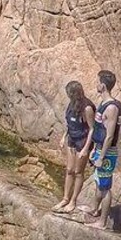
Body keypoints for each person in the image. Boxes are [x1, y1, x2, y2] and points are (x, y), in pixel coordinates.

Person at [84, 70, 121, 230]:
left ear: (103, 85)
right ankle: (94, 209)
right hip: (100, 148)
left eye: (97, 81)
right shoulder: (103, 103)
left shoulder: (112, 108)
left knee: (105, 187)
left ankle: (102, 222)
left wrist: (102, 156)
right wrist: (95, 149)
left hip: (108, 153)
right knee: (99, 181)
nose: (96, 84)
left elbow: (109, 135)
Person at [52, 81, 95, 213]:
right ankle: (65, 198)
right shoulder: (72, 104)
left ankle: (73, 201)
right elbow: (70, 124)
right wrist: (64, 137)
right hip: (72, 138)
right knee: (69, 169)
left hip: (82, 141)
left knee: (78, 172)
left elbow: (92, 129)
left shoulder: (87, 108)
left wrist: (86, 149)